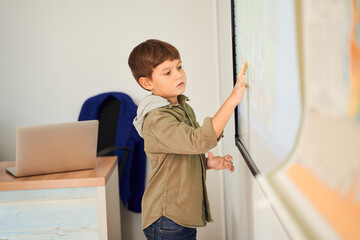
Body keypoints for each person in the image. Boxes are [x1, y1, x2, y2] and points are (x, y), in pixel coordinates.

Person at [129, 39, 247, 240]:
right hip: (167, 218)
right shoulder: (157, 119)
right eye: (167, 72)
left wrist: (207, 162)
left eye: (179, 66)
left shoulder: (182, 107)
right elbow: (198, 141)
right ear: (147, 83)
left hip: (180, 216)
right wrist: (233, 99)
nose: (178, 74)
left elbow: (183, 153)